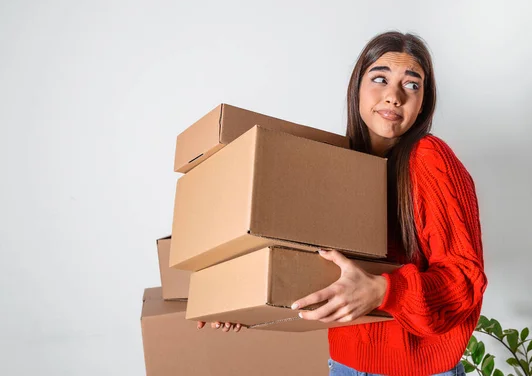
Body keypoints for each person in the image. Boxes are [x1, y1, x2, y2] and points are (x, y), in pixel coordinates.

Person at [198, 31, 487, 376]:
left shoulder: (429, 159)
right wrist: (243, 305)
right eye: (380, 79)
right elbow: (303, 262)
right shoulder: (340, 166)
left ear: (423, 101)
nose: (393, 96)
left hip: (415, 370)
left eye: (411, 85)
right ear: (357, 88)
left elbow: (465, 281)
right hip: (344, 364)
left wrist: (385, 290)